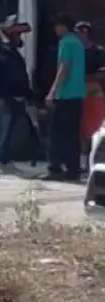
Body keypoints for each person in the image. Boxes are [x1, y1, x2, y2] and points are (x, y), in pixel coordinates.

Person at [0, 15, 33, 170]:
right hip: (2, 99)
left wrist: (27, 94)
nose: (19, 38)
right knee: (0, 131)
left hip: (14, 98)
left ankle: (5, 160)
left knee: (9, 132)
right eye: (16, 34)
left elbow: (20, 76)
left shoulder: (12, 53)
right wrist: (0, 96)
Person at [44, 14, 86, 181]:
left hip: (65, 95)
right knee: (72, 133)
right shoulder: (78, 43)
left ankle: (55, 168)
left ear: (63, 26)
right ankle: (72, 169)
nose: (55, 29)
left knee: (56, 133)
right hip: (78, 94)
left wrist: (52, 91)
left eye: (57, 26)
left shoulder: (66, 42)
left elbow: (64, 67)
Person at [75, 21, 105, 157]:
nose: (82, 35)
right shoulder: (73, 51)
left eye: (84, 32)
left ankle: (91, 156)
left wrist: (88, 78)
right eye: (79, 32)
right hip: (76, 92)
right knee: (79, 126)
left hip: (94, 93)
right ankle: (81, 157)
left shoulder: (98, 52)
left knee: (94, 127)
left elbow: (102, 73)